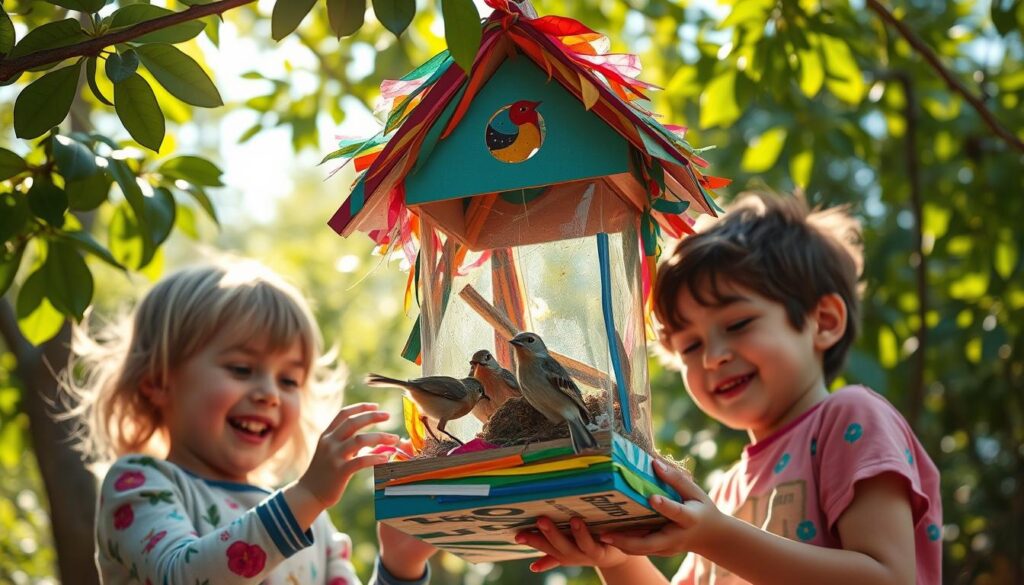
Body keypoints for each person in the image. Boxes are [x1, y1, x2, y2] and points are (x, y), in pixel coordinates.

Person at [517, 193, 942, 584]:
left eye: (738, 324)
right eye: (691, 346)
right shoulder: (725, 491)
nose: (713, 357)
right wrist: (618, 559)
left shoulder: (850, 418)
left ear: (824, 321)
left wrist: (715, 536)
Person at [66, 260, 435, 584]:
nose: (270, 394)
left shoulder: (314, 526)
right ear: (158, 382)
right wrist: (307, 496)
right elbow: (180, 575)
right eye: (241, 369)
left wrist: (399, 566)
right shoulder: (140, 484)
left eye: (289, 380)